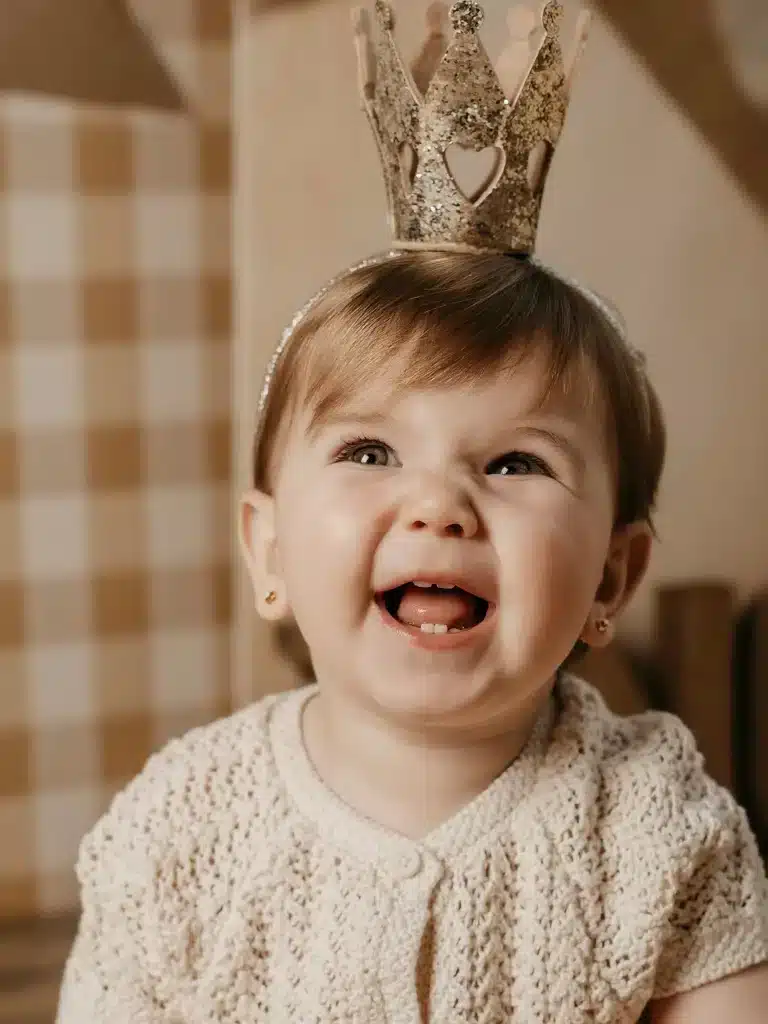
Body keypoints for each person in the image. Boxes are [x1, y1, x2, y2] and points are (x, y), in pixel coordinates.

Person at [57, 2, 767, 1021]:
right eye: (370, 450)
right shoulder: (183, 828)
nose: (439, 503)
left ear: (612, 576)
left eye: (517, 461)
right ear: (268, 550)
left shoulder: (659, 828)